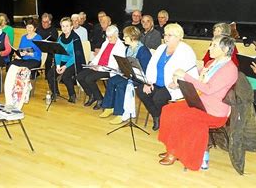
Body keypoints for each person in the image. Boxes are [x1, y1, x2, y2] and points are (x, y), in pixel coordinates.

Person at [157, 35, 238, 169]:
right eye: (211, 44)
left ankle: (174, 152)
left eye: (213, 45)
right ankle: (172, 146)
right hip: (200, 103)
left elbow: (208, 89)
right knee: (168, 109)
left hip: (214, 111)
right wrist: (179, 82)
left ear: (225, 50)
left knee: (181, 117)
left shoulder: (230, 69)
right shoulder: (213, 63)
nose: (209, 48)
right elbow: (198, 80)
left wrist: (185, 76)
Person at [137, 23, 198, 131]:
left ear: (179, 37)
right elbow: (151, 66)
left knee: (158, 98)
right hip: (156, 82)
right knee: (141, 91)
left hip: (173, 85)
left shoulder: (186, 51)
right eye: (165, 35)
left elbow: (190, 72)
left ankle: (164, 118)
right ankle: (157, 116)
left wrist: (178, 83)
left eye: (170, 35)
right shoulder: (161, 48)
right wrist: (148, 82)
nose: (166, 38)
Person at [100, 26, 152, 124]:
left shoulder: (143, 50)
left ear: (132, 37)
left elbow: (145, 70)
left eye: (125, 36)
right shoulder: (128, 49)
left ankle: (121, 113)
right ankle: (109, 107)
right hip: (128, 74)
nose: (123, 38)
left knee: (121, 85)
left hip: (138, 78)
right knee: (111, 81)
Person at [77, 25, 126, 110]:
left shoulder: (121, 47)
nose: (109, 39)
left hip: (109, 70)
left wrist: (99, 68)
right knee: (80, 77)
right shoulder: (106, 42)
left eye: (111, 37)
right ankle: (91, 95)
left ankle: (100, 99)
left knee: (89, 79)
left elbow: (115, 65)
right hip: (99, 66)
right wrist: (93, 64)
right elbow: (99, 56)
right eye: (108, 37)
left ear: (117, 35)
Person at [47, 17, 85, 103]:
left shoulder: (75, 38)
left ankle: (72, 95)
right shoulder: (60, 37)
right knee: (50, 74)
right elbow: (57, 52)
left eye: (67, 26)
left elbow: (75, 56)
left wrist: (65, 66)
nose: (65, 28)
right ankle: (55, 92)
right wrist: (57, 65)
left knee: (66, 76)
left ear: (71, 27)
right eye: (63, 26)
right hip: (62, 61)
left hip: (73, 62)